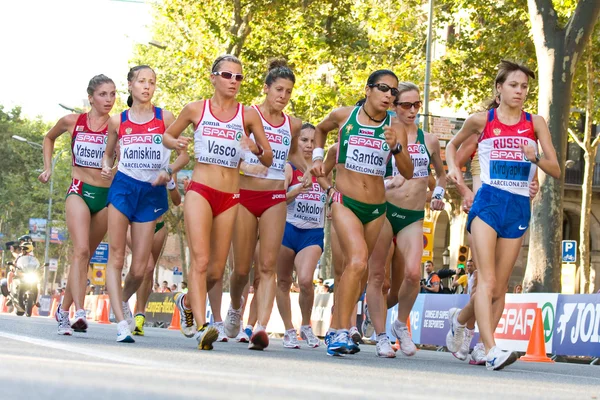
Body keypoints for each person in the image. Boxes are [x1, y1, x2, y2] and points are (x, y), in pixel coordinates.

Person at [445, 60, 560, 370]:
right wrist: (455, 172)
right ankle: (491, 348)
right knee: (487, 279)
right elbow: (452, 147)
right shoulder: (482, 120)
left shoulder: (535, 124)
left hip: (518, 206)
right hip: (488, 203)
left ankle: (461, 324)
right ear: (499, 88)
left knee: (500, 285)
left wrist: (534, 157)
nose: (519, 91)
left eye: (524, 87)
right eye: (513, 85)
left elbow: (556, 169)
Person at [163, 54, 272, 351]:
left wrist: (256, 147)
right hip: (200, 190)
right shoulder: (196, 109)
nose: (233, 82)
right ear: (213, 77)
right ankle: (201, 327)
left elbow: (269, 157)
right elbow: (167, 137)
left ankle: (185, 300)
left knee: (215, 270)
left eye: (239, 77)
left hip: (230, 195)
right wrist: (177, 143)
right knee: (199, 261)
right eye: (227, 75)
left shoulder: (248, 115)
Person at [311, 70, 413, 356]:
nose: (389, 95)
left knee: (358, 269)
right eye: (383, 88)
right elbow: (320, 130)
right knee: (355, 262)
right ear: (368, 89)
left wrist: (396, 147)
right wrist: (318, 159)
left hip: (377, 208)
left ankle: (337, 327)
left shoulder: (396, 127)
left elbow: (408, 171)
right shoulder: (344, 116)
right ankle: (339, 332)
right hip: (345, 201)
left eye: (393, 92)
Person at [362, 82, 446, 357]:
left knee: (411, 275)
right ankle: (381, 335)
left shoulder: (429, 139)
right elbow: (365, 170)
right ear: (395, 107)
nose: (412, 111)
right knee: (378, 277)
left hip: (412, 215)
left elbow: (441, 174)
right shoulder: (384, 133)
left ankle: (400, 324)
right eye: (406, 105)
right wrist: (386, 183)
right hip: (384, 211)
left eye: (417, 105)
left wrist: (439, 194)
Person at [225, 59, 303, 351]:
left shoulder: (291, 124)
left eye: (288, 92)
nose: (283, 96)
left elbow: (298, 155)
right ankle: (235, 307)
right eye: (279, 89)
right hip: (245, 195)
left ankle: (260, 328)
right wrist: (244, 160)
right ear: (266, 88)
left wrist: (314, 168)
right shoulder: (247, 115)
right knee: (242, 269)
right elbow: (229, 149)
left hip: (274, 198)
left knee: (267, 267)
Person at [101, 65, 180, 343]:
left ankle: (122, 299)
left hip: (151, 192)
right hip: (123, 187)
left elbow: (183, 154)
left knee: (141, 268)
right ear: (131, 86)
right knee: (117, 256)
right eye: (142, 81)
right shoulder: (117, 121)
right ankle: (122, 321)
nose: (147, 86)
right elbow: (108, 154)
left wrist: (169, 172)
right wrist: (106, 167)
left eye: (152, 82)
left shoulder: (166, 118)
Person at [39, 74, 116, 336]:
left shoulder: (118, 125)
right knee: (80, 250)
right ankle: (80, 313)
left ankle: (62, 311)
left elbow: (128, 160)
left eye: (113, 94)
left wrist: (113, 170)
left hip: (106, 197)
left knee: (85, 256)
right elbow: (49, 138)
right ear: (91, 96)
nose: (109, 100)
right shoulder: (73, 121)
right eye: (103, 94)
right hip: (79, 190)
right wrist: (48, 168)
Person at [275, 123, 329, 349]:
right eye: (304, 140)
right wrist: (294, 191)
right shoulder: (289, 167)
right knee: (284, 281)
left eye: (313, 141)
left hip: (312, 233)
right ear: (295, 142)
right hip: (287, 230)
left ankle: (306, 325)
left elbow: (331, 193)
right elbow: (278, 199)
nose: (309, 145)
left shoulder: (323, 168)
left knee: (306, 280)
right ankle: (288, 329)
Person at [131, 176, 183, 336]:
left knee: (148, 271)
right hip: (133, 222)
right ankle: (124, 303)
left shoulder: (165, 161)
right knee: (145, 266)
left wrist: (171, 182)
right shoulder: (130, 153)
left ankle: (139, 314)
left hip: (158, 224)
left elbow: (176, 200)